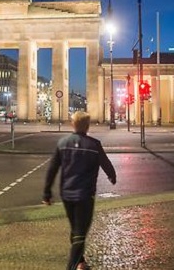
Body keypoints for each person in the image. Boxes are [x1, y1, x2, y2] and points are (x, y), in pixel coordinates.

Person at [42, 111, 117, 270]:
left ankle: (81, 263)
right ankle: (72, 266)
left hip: (67, 195)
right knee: (80, 232)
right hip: (85, 195)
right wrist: (112, 176)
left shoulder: (63, 143)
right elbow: (105, 163)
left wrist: (47, 193)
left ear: (72, 124)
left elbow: (52, 169)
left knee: (76, 229)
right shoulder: (94, 145)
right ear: (88, 126)